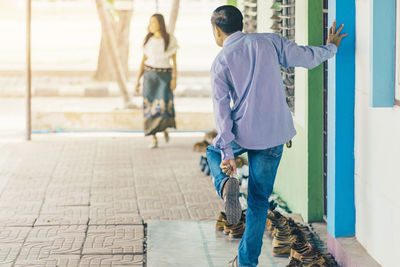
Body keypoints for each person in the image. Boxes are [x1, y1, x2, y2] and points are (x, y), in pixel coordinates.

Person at [206, 5, 347, 267]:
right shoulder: (268, 41)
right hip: (274, 134)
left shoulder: (221, 62)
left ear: (217, 32)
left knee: (213, 151)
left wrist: (228, 154)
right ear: (242, 25)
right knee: (259, 202)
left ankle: (225, 184)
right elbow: (305, 57)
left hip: (243, 132)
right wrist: (331, 47)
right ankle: (246, 263)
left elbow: (222, 112)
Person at [135, 14, 178, 149]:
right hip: (149, 76)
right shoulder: (148, 40)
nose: (151, 25)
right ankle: (153, 137)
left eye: (153, 22)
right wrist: (138, 79)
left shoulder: (170, 39)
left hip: (164, 76)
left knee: (164, 105)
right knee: (149, 106)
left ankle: (163, 128)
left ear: (160, 23)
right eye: (150, 22)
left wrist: (174, 79)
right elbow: (143, 61)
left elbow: (175, 62)